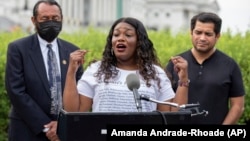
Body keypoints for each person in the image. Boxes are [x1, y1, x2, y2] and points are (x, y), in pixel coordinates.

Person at [63, 17, 189, 113]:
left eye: (128, 35)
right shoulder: (96, 70)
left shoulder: (155, 73)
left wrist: (183, 81)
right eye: (116, 35)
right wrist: (71, 72)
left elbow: (171, 115)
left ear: (139, 42)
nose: (120, 38)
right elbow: (74, 111)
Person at [5, 0, 83, 141]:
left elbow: (79, 91)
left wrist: (62, 125)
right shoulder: (18, 49)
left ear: (62, 19)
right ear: (34, 20)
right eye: (45, 19)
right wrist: (47, 126)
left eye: (55, 18)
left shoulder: (72, 51)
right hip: (27, 130)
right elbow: (16, 91)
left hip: (63, 132)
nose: (51, 22)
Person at [166, 12, 245, 124]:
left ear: (217, 36)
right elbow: (165, 104)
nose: (202, 38)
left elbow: (238, 106)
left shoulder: (230, 65)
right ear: (191, 33)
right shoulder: (176, 63)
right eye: (198, 32)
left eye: (208, 34)